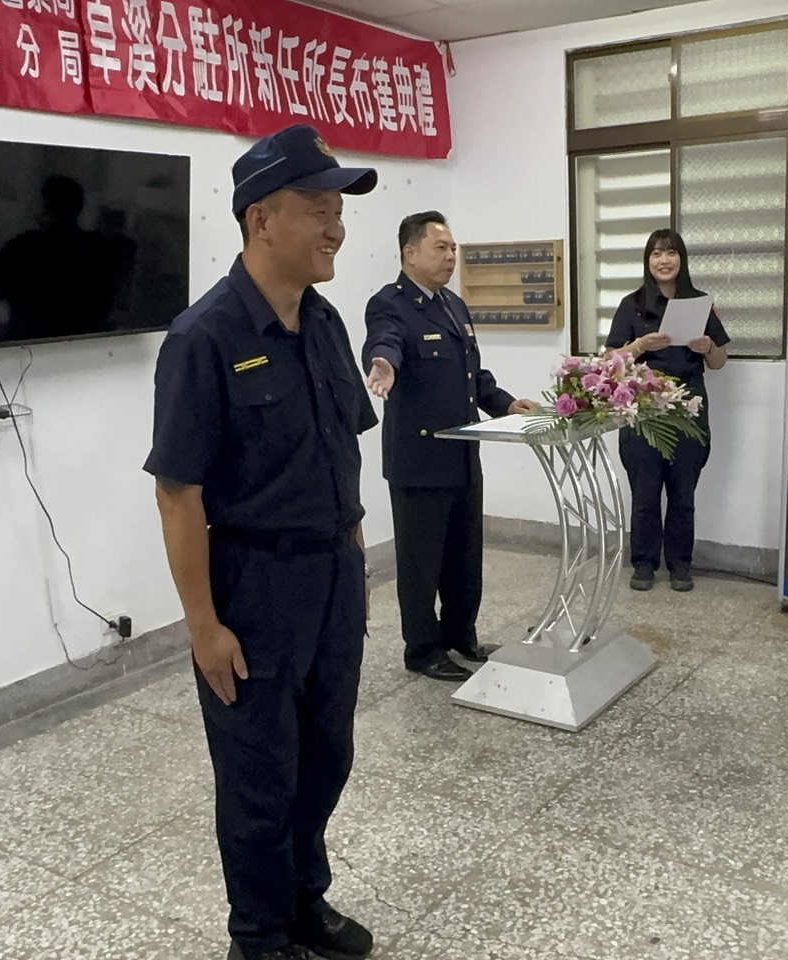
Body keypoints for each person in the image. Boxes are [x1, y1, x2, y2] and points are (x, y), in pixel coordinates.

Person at [144, 124, 379, 960]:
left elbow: (343, 452)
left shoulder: (324, 323)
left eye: (338, 211)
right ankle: (259, 935)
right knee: (258, 775)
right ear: (261, 219)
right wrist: (203, 626)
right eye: (318, 209)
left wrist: (355, 563)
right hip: (254, 585)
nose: (335, 227)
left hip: (333, 577)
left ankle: (303, 898)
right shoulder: (203, 337)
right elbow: (178, 493)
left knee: (326, 756)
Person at [362, 211, 537, 682]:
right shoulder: (389, 304)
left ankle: (462, 635)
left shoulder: (453, 305)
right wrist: (383, 363)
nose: (450, 256)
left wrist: (505, 404)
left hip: (463, 456)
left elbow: (471, 374)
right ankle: (423, 650)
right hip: (419, 460)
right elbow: (384, 342)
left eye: (453, 248)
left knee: (464, 558)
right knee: (421, 564)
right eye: (440, 247)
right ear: (409, 253)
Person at [605, 229, 729, 592]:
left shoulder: (700, 303)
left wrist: (708, 347)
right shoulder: (632, 304)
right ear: (648, 261)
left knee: (683, 492)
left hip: (689, 407)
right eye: (656, 254)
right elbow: (611, 360)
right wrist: (641, 344)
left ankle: (680, 565)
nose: (664, 260)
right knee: (645, 493)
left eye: (671, 253)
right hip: (643, 409)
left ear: (681, 259)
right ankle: (644, 563)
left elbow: (719, 361)